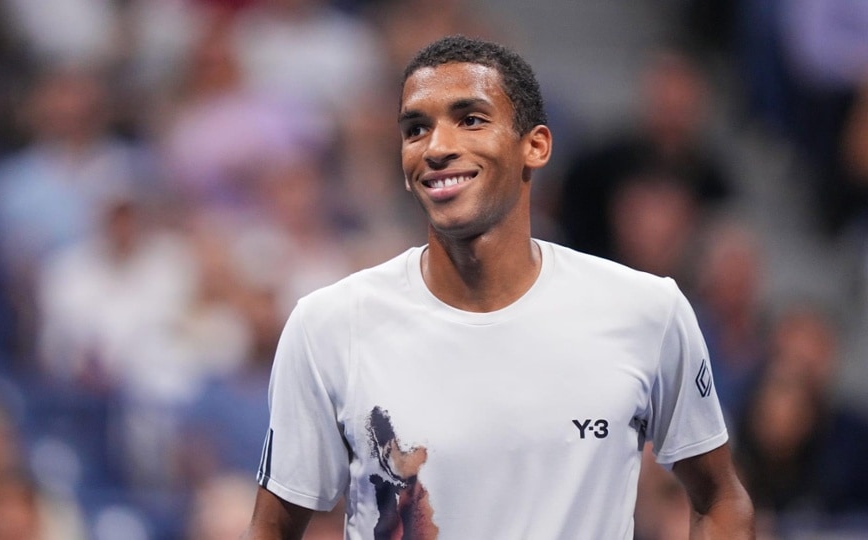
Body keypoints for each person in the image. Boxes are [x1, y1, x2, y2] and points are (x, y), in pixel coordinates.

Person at [244, 35, 754, 539]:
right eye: (416, 128)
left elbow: (720, 501)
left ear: (535, 146)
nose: (438, 147)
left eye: (470, 119)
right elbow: (271, 530)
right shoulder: (328, 326)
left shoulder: (647, 311)